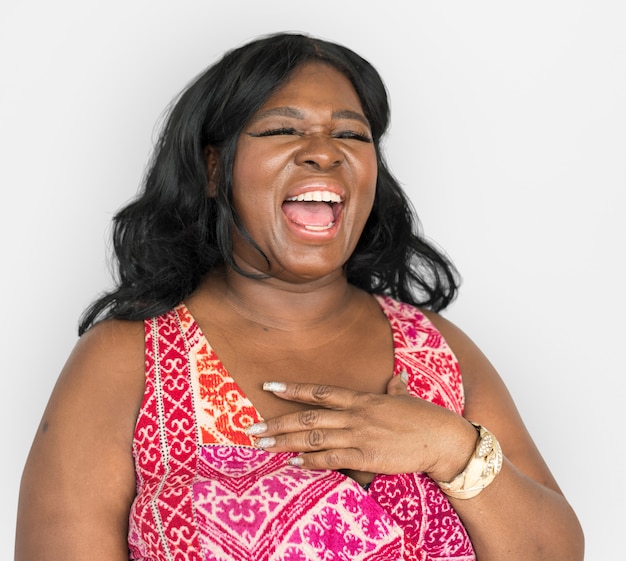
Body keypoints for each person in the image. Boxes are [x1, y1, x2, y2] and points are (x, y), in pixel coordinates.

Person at [15, 32, 584, 561]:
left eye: (351, 134)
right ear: (215, 169)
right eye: (284, 129)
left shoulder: (436, 350)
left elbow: (555, 551)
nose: (324, 152)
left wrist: (450, 448)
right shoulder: (126, 358)